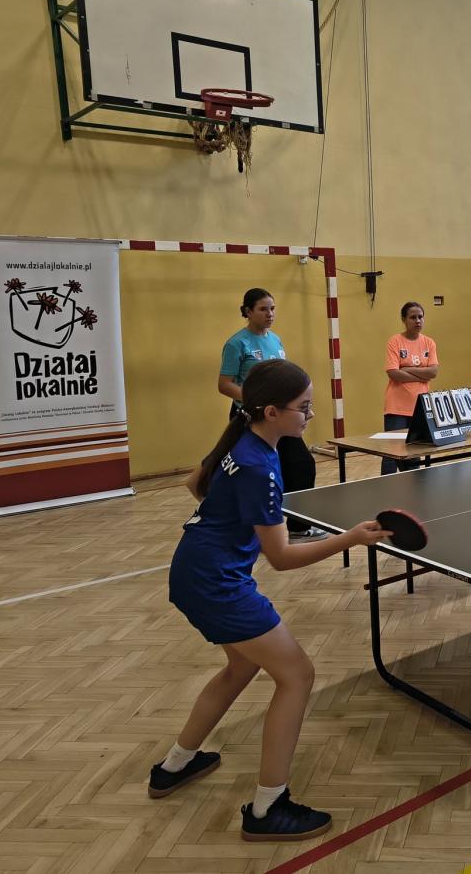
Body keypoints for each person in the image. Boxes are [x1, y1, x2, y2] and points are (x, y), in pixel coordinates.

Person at [149, 359, 390, 841]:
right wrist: (350, 539)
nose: (310, 415)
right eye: (304, 408)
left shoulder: (241, 439)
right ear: (273, 411)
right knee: (297, 675)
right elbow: (280, 557)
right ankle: (267, 808)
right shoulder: (261, 467)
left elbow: (194, 485)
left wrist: (230, 526)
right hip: (218, 585)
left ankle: (175, 765)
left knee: (241, 667)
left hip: (192, 570)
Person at [219, 288, 325, 541]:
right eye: (263, 309)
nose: (270, 314)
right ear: (248, 311)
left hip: (279, 417)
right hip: (251, 418)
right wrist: (256, 400)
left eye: (272, 309)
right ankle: (249, 526)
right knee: (254, 470)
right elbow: (224, 385)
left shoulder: (275, 340)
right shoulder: (236, 343)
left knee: (301, 464)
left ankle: (298, 526)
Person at [381, 301, 439, 474]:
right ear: (404, 320)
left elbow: (433, 372)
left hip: (419, 407)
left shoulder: (429, 343)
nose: (417, 320)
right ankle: (386, 485)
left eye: (420, 317)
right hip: (396, 407)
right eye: (413, 317)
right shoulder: (395, 341)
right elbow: (393, 373)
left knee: (414, 452)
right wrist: (422, 375)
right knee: (392, 452)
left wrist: (407, 369)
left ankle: (415, 485)